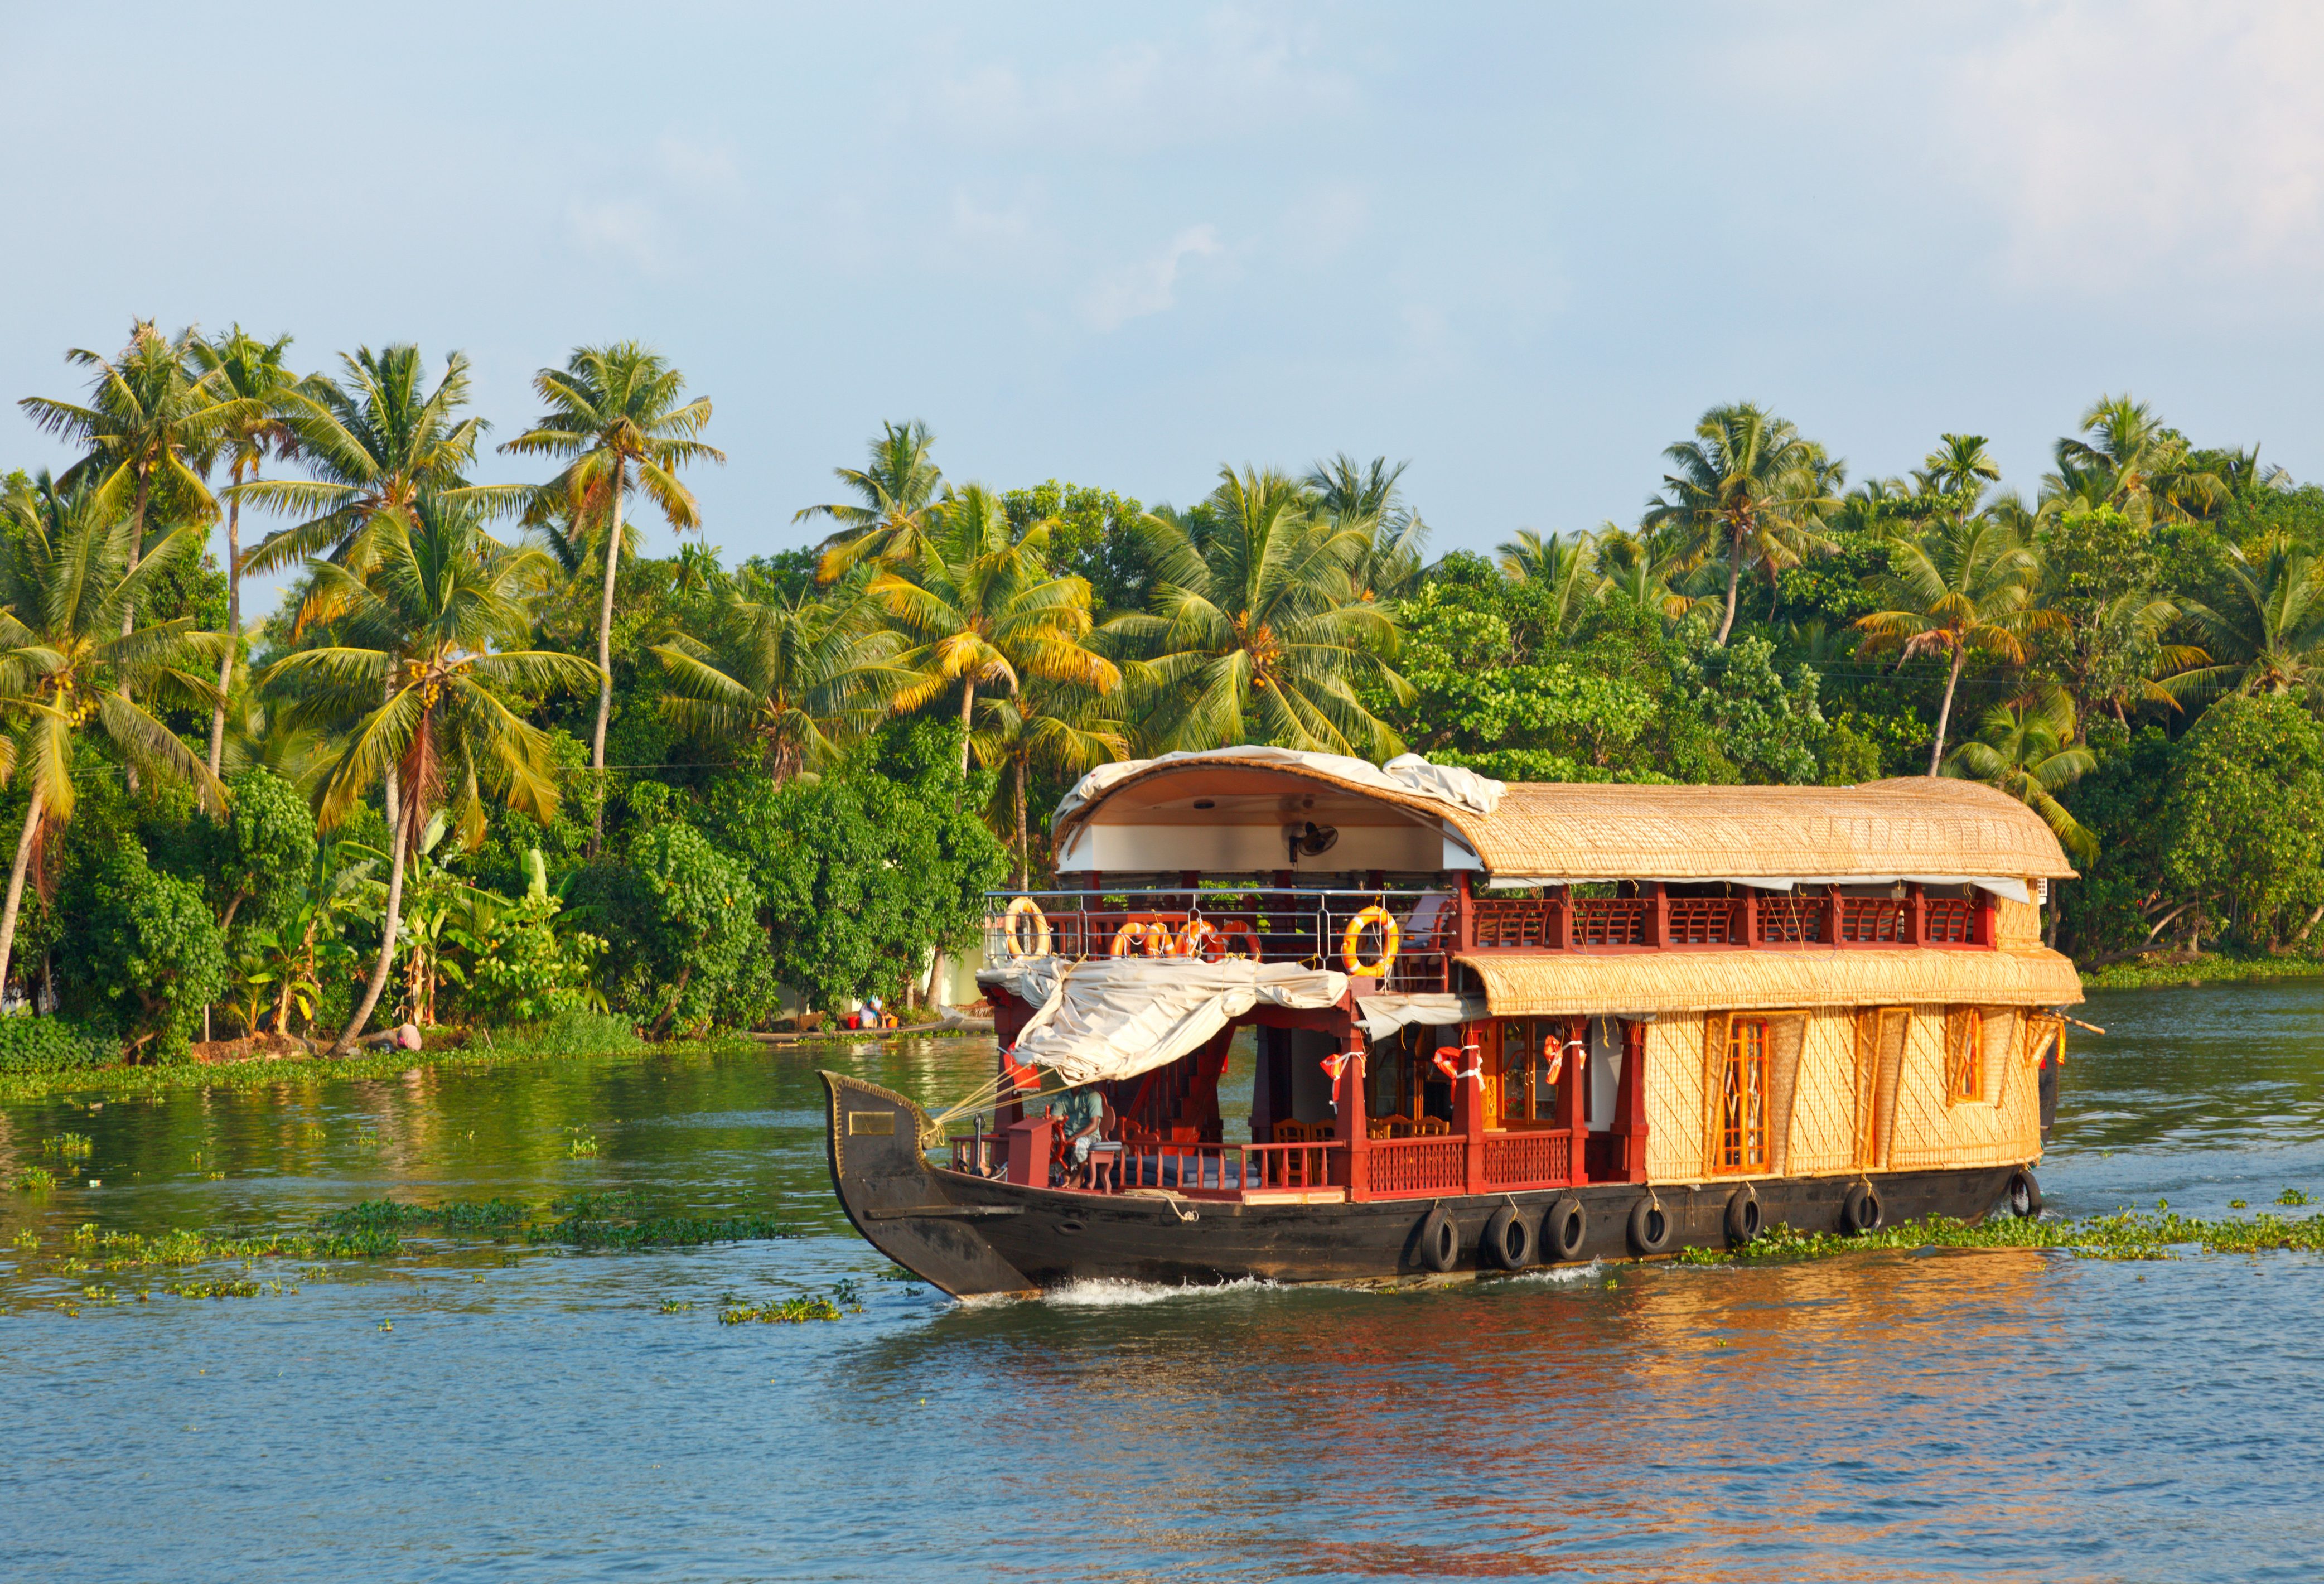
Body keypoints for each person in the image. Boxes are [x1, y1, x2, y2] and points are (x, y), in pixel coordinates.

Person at [1054, 1085, 1113, 1188]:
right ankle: (1066, 1176)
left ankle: (1080, 1175)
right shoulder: (1063, 1096)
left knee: (1080, 1144)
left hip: (1091, 1136)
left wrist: (1075, 1137)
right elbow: (1053, 1119)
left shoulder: (1093, 1096)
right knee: (1053, 1142)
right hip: (1067, 1135)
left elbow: (1094, 1125)